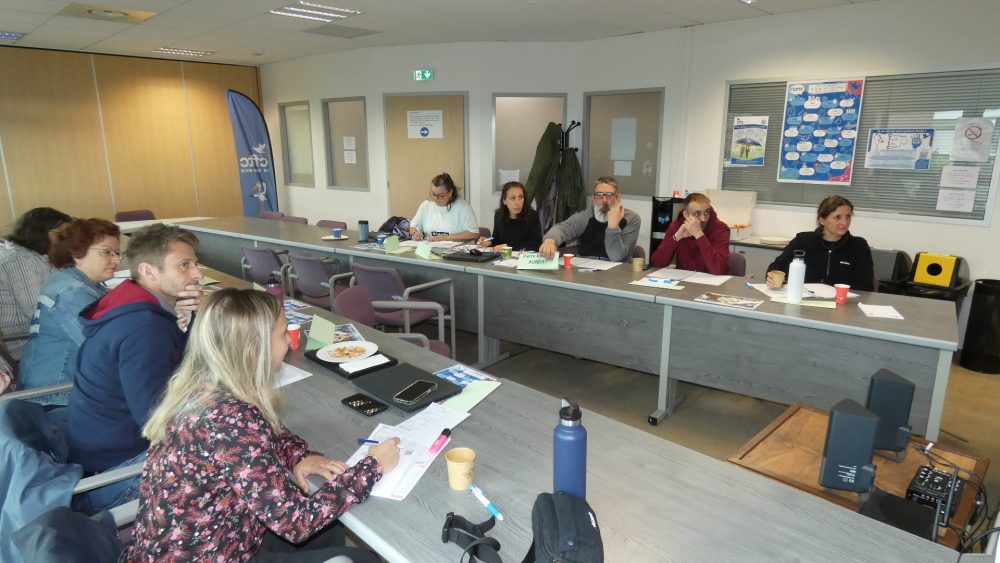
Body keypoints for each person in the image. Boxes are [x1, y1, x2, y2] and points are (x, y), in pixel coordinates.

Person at [126, 289, 398, 562]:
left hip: (214, 535)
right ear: (254, 349)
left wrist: (299, 456)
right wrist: (372, 467)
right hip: (212, 553)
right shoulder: (230, 421)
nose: (289, 342)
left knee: (331, 527)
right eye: (282, 334)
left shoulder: (204, 389)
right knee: (365, 559)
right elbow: (296, 523)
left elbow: (264, 435)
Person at [68, 224, 204, 512]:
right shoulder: (144, 327)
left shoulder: (131, 300)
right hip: (118, 468)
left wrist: (195, 318)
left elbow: (176, 361)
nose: (197, 274)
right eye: (184, 265)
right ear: (149, 271)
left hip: (102, 449)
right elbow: (157, 419)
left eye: (195, 263)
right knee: (234, 466)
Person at [19, 219, 122, 404]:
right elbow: (107, 349)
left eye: (117, 253)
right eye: (107, 252)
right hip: (57, 397)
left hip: (57, 388)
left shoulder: (68, 279)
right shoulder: (72, 293)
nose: (116, 260)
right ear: (77, 252)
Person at [0, 207, 72, 358]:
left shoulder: (36, 256)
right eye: (61, 234)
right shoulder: (20, 261)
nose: (66, 240)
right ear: (40, 233)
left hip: (39, 334)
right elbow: (37, 312)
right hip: (21, 342)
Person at [766, 195, 875, 291]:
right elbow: (778, 266)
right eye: (837, 217)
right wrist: (772, 277)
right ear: (822, 220)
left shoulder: (858, 246)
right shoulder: (803, 241)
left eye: (848, 216)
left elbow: (865, 286)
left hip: (842, 302)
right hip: (804, 298)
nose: (844, 222)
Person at [538, 176, 641, 262]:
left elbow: (616, 256)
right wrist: (550, 240)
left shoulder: (631, 219)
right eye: (599, 195)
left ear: (618, 198)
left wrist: (613, 227)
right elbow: (563, 228)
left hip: (617, 272)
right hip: (585, 268)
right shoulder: (587, 216)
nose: (604, 200)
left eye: (609, 195)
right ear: (593, 199)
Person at [649, 192, 731, 274]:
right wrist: (676, 238)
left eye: (706, 212)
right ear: (685, 214)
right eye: (697, 214)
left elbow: (719, 269)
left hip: (711, 280)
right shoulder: (676, 226)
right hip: (683, 279)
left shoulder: (720, 229)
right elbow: (657, 263)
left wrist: (699, 235)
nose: (703, 219)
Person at [408, 172, 480, 242]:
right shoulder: (426, 205)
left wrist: (445, 238)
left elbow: (474, 233)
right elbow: (413, 227)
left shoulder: (462, 206)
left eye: (441, 196)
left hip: (457, 249)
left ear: (450, 192)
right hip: (430, 247)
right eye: (433, 194)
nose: (436, 198)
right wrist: (415, 233)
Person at [479, 181, 542, 251]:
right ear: (504, 201)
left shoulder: (532, 216)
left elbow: (536, 244)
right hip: (503, 256)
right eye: (513, 198)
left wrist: (507, 247)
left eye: (520, 197)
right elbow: (495, 237)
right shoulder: (499, 215)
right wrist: (488, 240)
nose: (517, 202)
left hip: (523, 256)